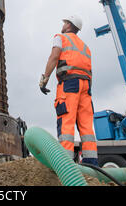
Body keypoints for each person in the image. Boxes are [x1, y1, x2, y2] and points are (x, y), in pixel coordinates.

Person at [39, 16, 98, 166]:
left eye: (65, 22)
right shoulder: (85, 46)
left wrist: (44, 79)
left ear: (69, 26)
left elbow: (54, 57)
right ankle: (92, 163)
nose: (63, 25)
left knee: (66, 122)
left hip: (69, 85)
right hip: (86, 87)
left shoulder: (60, 38)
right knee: (86, 125)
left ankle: (65, 163)